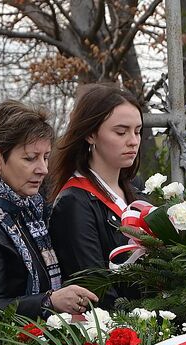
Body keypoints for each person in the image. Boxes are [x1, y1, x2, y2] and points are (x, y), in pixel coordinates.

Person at [0, 100, 98, 319]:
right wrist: (49, 302)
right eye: (30, 158)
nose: (43, 169)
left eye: (46, 157)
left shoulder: (31, 207)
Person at [47, 84, 143, 308]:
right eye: (121, 132)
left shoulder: (136, 192)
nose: (133, 141)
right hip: (116, 330)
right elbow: (96, 289)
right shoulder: (74, 202)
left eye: (137, 131)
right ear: (91, 134)